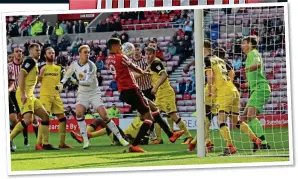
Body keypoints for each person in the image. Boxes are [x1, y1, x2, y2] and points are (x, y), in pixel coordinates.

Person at [106, 38, 184, 153]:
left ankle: (171, 134)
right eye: (119, 45)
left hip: (124, 90)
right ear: (114, 46)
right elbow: (134, 67)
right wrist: (143, 72)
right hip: (132, 89)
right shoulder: (121, 57)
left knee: (154, 108)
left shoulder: (109, 59)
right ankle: (135, 145)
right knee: (148, 117)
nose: (121, 47)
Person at [58, 45, 129, 149]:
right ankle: (86, 141)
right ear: (80, 54)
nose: (87, 54)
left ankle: (121, 138)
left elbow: (87, 82)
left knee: (104, 116)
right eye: (85, 52)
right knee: (79, 113)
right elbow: (67, 74)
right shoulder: (74, 64)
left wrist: (75, 81)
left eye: (88, 52)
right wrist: (61, 83)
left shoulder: (91, 65)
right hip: (82, 93)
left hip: (94, 93)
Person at [10, 43, 58, 151]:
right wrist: (23, 93)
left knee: (45, 116)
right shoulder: (29, 61)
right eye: (37, 50)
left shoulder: (35, 63)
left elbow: (31, 81)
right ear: (31, 51)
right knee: (27, 120)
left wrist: (39, 78)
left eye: (40, 50)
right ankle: (8, 140)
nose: (39, 52)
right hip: (24, 94)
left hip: (30, 95)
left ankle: (45, 144)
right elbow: (21, 75)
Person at [145, 47, 193, 145]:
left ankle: (189, 137)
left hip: (166, 93)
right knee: (155, 116)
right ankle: (158, 139)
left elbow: (164, 75)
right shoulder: (151, 65)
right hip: (159, 95)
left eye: (150, 54)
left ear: (154, 54)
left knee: (174, 116)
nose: (148, 56)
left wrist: (155, 87)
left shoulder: (156, 63)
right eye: (146, 54)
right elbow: (144, 73)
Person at [38, 47, 73, 149]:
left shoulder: (58, 68)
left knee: (62, 118)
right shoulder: (43, 68)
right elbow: (38, 81)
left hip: (56, 96)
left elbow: (65, 81)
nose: (51, 54)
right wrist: (40, 74)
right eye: (49, 53)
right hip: (45, 96)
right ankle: (42, 143)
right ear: (45, 55)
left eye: (53, 53)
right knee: (45, 118)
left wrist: (67, 72)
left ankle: (62, 144)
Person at [241, 36, 271, 151]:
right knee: (244, 116)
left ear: (250, 44)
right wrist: (241, 85)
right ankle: (255, 140)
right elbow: (250, 82)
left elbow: (257, 64)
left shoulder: (253, 53)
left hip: (260, 88)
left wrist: (245, 70)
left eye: (244, 43)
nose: (242, 46)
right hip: (256, 89)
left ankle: (263, 142)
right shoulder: (248, 57)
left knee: (250, 115)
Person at [8, 47, 39, 147]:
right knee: (16, 119)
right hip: (13, 94)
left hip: (24, 93)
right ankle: (11, 139)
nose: (19, 53)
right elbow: (12, 82)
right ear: (13, 54)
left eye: (20, 51)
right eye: (16, 51)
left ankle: (32, 140)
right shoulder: (9, 66)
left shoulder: (25, 64)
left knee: (30, 118)